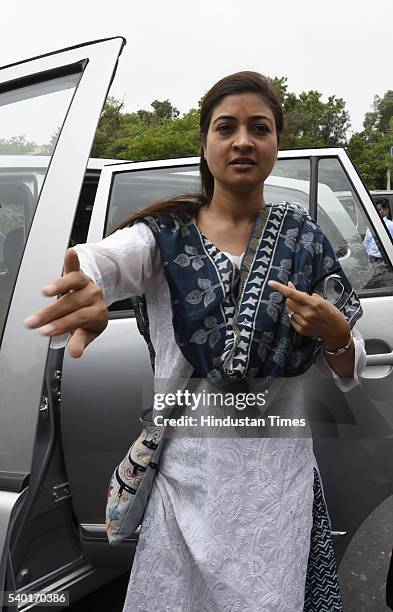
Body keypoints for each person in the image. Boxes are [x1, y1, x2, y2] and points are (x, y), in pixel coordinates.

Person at [24, 72, 367, 611]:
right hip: (189, 476)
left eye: (260, 128)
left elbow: (346, 371)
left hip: (276, 482)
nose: (243, 141)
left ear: (277, 142)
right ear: (205, 143)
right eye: (226, 127)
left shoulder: (305, 239)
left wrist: (337, 334)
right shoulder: (163, 237)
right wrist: (88, 280)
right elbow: (106, 259)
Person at [363, 198, 393, 262]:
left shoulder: (390, 226)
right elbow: (366, 243)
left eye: (379, 209)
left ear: (385, 210)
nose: (376, 212)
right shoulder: (371, 226)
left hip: (383, 260)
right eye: (375, 209)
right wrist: (368, 255)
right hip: (371, 259)